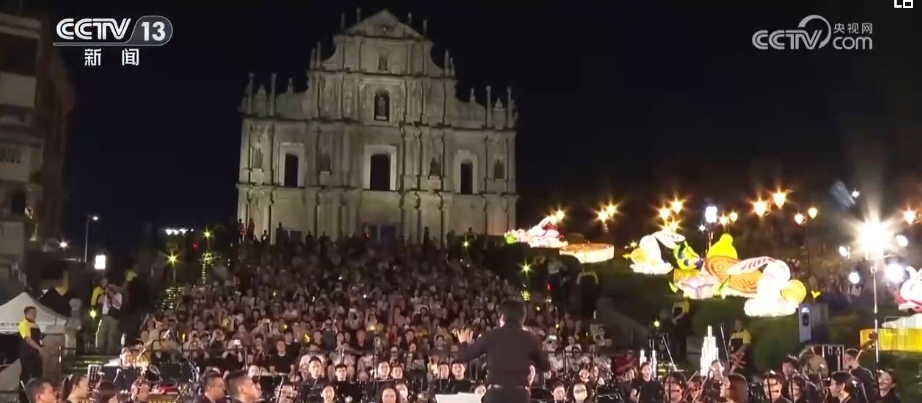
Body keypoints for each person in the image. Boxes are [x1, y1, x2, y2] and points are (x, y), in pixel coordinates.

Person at [454, 300, 550, 403]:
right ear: (523, 318)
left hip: (495, 395)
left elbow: (463, 356)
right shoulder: (532, 339)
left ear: (502, 317)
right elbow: (546, 366)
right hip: (520, 395)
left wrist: (463, 342)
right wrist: (533, 365)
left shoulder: (490, 335)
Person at [19, 306, 44, 403]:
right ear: (27, 313)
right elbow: (27, 338)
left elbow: (39, 338)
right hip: (28, 354)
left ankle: (36, 397)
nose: (35, 314)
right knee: (27, 376)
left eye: (35, 312)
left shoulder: (35, 324)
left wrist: (42, 347)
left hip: (36, 354)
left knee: (37, 376)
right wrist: (39, 348)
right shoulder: (24, 323)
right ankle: (24, 399)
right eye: (32, 312)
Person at [669, 292, 690, 362]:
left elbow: (684, 313)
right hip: (675, 324)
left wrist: (675, 319)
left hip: (682, 324)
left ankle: (682, 357)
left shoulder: (685, 303)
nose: (678, 296)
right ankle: (673, 356)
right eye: (677, 295)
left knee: (682, 341)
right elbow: (673, 312)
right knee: (674, 340)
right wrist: (672, 319)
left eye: (679, 295)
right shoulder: (675, 303)